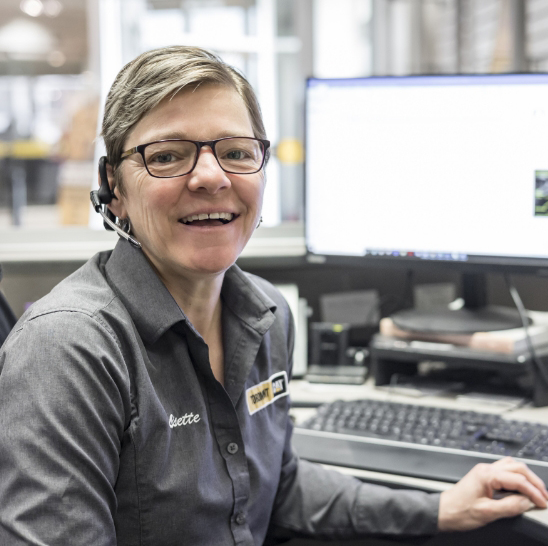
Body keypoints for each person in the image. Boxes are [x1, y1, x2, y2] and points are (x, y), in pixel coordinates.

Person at [0, 46, 546, 546]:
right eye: (167, 156)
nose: (211, 177)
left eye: (237, 152)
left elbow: (277, 488)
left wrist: (436, 508)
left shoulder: (266, 315)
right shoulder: (69, 350)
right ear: (113, 189)